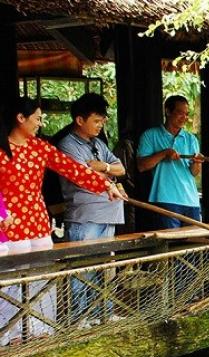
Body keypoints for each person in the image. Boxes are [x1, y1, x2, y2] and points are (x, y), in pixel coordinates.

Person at [0, 97, 125, 343]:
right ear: (20, 118)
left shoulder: (40, 147)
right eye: (37, 118)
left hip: (37, 221)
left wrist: (105, 185)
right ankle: (8, 335)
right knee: (10, 279)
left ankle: (39, 330)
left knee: (42, 276)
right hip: (8, 224)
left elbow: (73, 169)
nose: (40, 123)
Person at [58, 93, 126, 242]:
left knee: (105, 264)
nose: (100, 126)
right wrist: (107, 177)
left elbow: (121, 169)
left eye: (102, 121)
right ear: (80, 120)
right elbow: (84, 176)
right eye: (96, 121)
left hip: (109, 215)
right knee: (85, 263)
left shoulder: (98, 143)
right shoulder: (68, 145)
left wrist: (104, 166)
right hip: (86, 218)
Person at [137, 95, 204, 229]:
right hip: (165, 198)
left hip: (191, 199)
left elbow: (194, 172)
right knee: (172, 243)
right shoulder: (150, 135)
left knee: (194, 245)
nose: (184, 118)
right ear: (168, 111)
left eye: (186, 114)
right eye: (180, 113)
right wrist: (164, 153)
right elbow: (142, 166)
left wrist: (197, 163)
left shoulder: (191, 139)